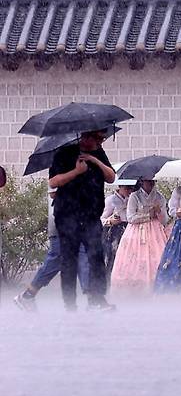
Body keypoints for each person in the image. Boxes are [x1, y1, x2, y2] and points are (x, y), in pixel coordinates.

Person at [48, 129, 116, 311]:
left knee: (96, 255)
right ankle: (69, 303)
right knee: (69, 259)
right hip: (67, 215)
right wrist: (76, 172)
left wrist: (94, 160)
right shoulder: (64, 153)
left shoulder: (100, 153)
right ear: (86, 137)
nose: (101, 142)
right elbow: (53, 182)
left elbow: (111, 177)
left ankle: (97, 299)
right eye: (99, 138)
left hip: (91, 215)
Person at [14, 189, 90, 312]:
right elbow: (53, 193)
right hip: (61, 227)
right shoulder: (59, 171)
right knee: (56, 261)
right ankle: (27, 295)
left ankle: (93, 300)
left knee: (84, 258)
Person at [111, 178, 168, 293]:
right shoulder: (134, 196)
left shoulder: (159, 197)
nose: (151, 183)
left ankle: (157, 285)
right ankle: (135, 287)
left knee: (158, 256)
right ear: (142, 182)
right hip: (136, 231)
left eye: (153, 181)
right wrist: (148, 215)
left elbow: (165, 220)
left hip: (155, 231)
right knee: (134, 258)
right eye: (148, 181)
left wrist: (159, 212)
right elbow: (130, 217)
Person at [102, 179, 135, 281]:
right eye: (126, 188)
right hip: (115, 231)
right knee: (113, 256)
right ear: (120, 187)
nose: (129, 191)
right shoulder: (111, 200)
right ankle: (109, 279)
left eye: (131, 188)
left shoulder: (132, 199)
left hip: (129, 229)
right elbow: (101, 218)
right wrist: (110, 221)